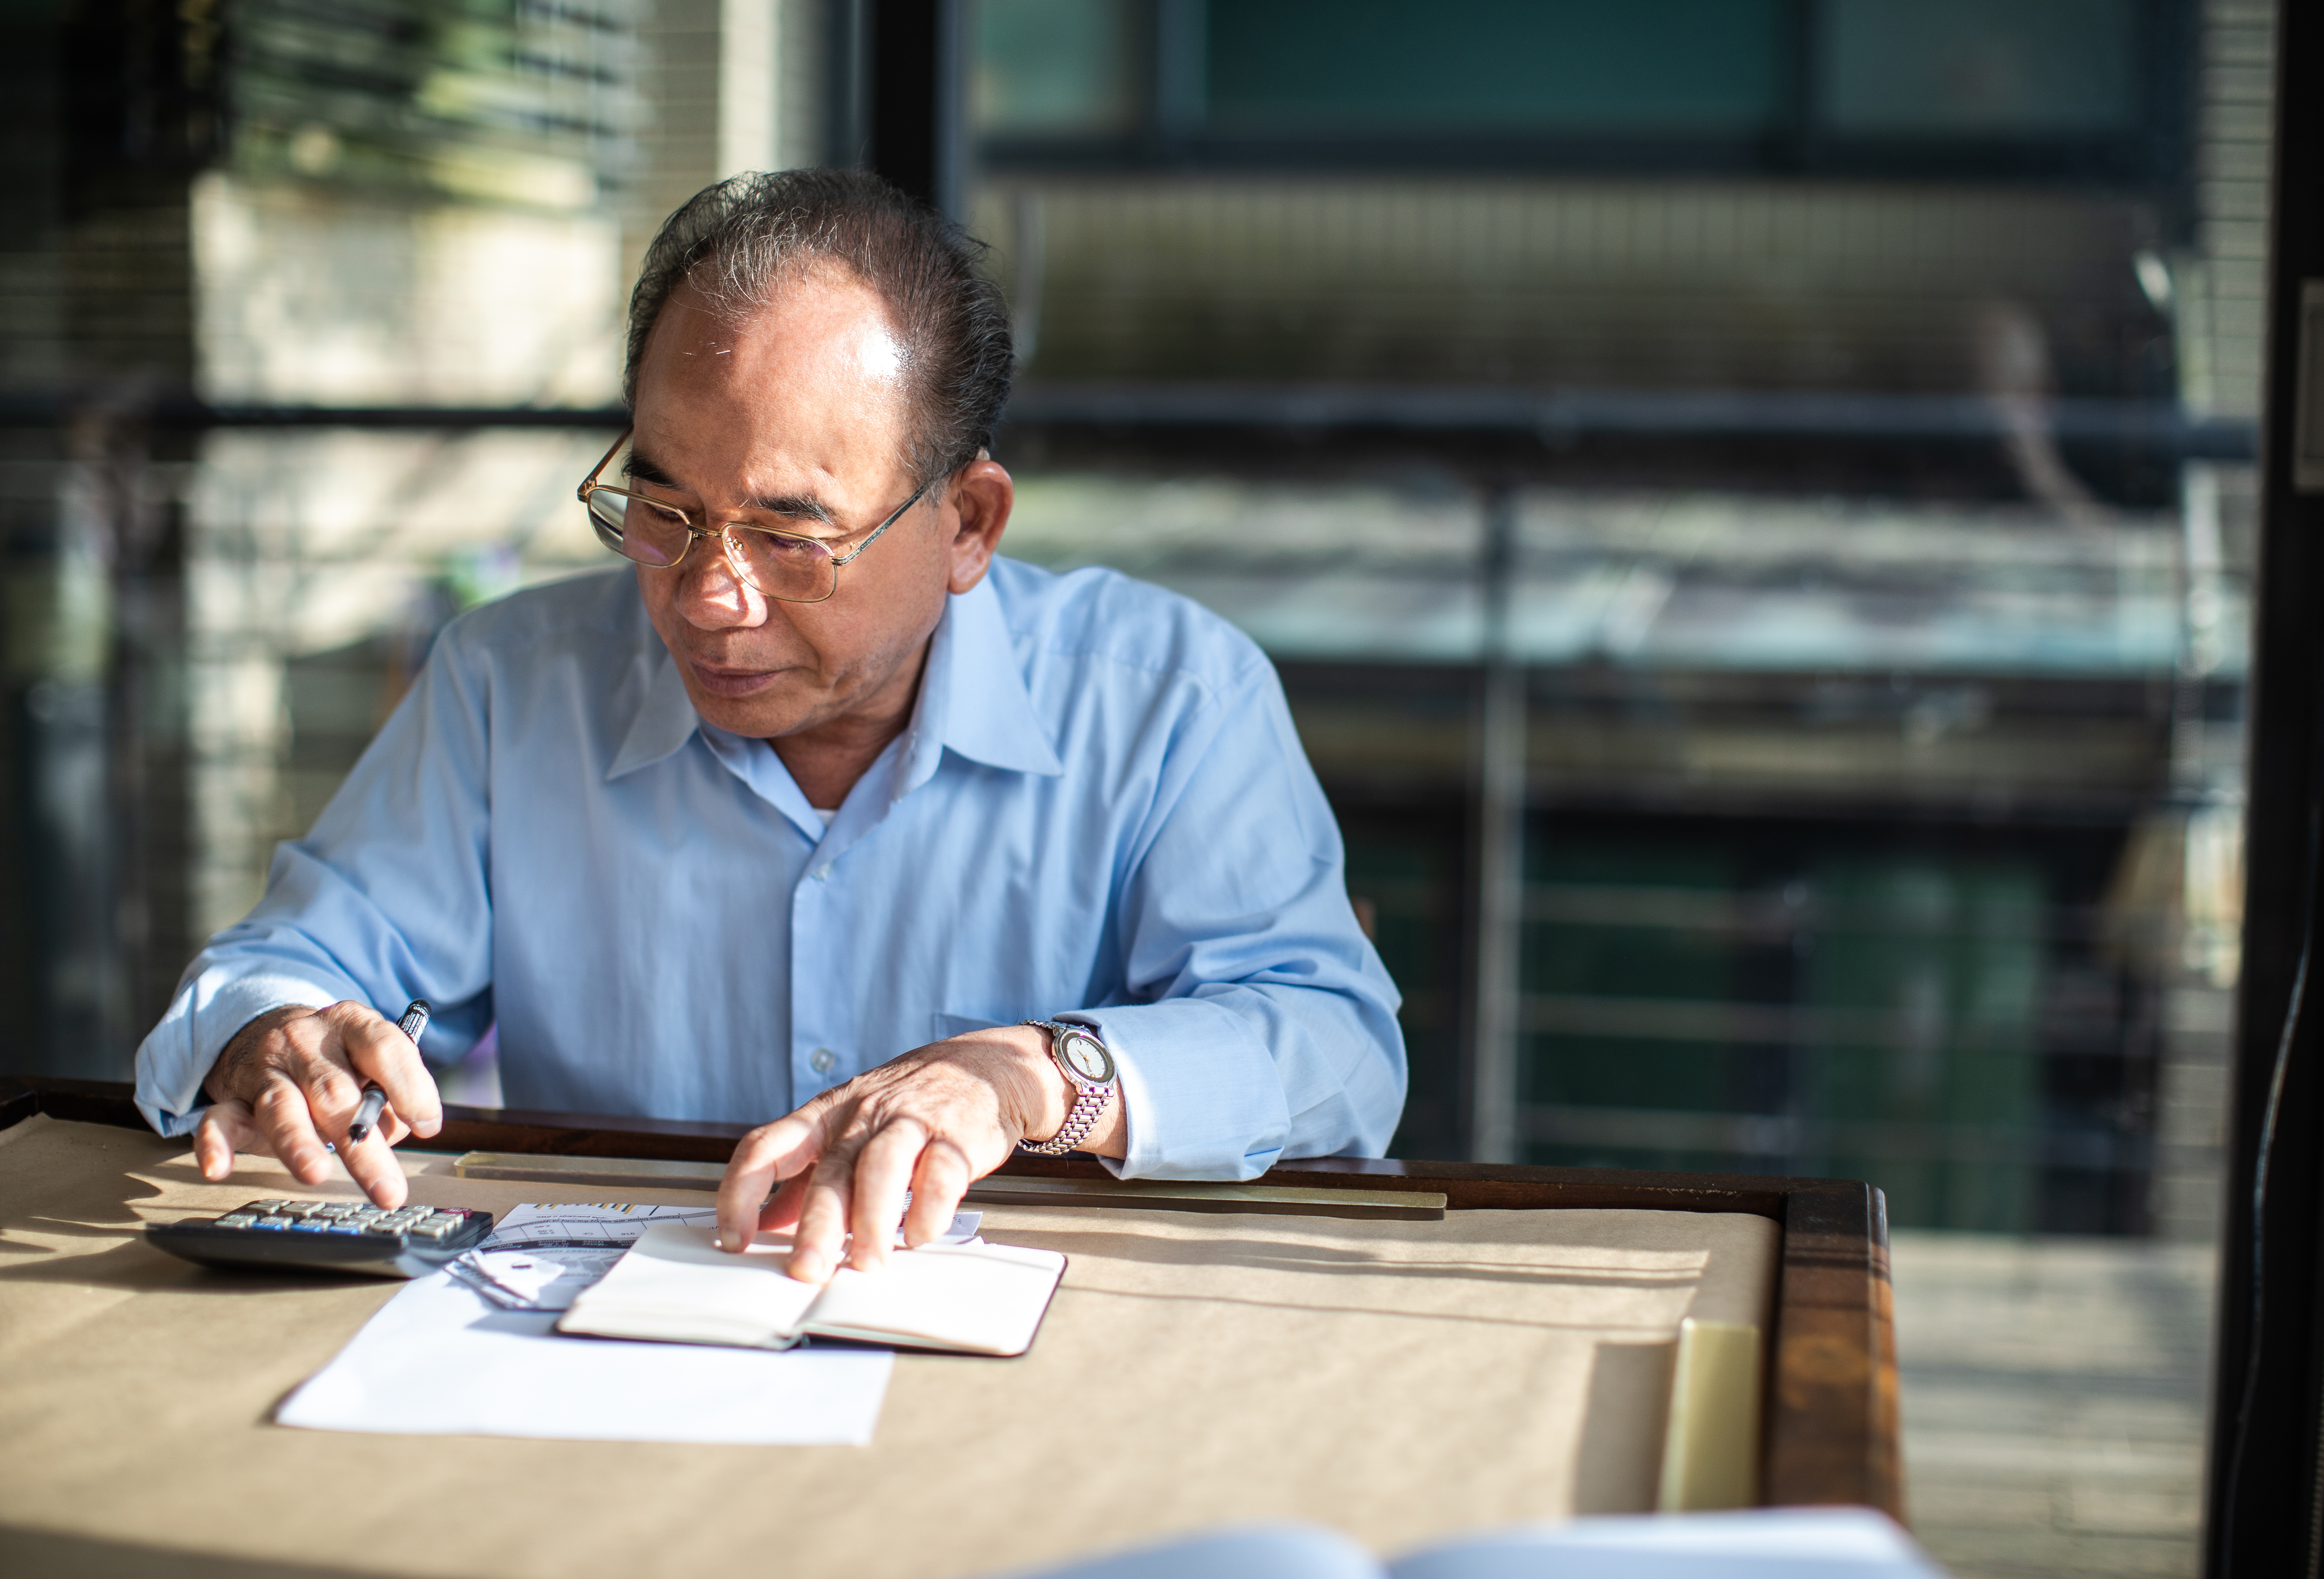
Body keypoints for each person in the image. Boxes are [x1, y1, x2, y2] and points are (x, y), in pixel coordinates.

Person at [133, 170, 1406, 1284]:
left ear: (967, 524)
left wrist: (1033, 1080)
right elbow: (291, 966)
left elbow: (1339, 1056)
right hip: (605, 1352)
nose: (705, 596)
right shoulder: (510, 684)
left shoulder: (1167, 696)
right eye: (664, 508)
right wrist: (274, 1031)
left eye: (792, 537)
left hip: (1034, 1359)